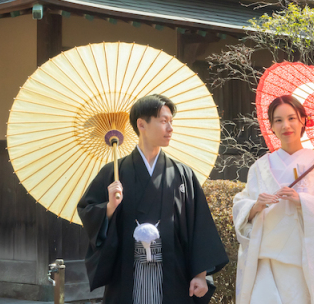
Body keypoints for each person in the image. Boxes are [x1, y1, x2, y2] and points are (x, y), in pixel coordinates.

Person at [78, 94, 229, 304]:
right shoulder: (113, 173)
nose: (170, 128)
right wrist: (110, 207)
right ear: (142, 124)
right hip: (127, 273)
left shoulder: (182, 174)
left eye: (171, 122)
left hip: (173, 274)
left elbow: (199, 226)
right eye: (164, 121)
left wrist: (200, 274)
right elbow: (88, 210)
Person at [232, 95, 314, 304]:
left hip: (303, 264)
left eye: (291, 118)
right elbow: (241, 204)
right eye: (278, 120)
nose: (285, 126)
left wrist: (303, 201)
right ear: (271, 126)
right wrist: (256, 205)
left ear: (303, 120)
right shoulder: (260, 167)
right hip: (266, 261)